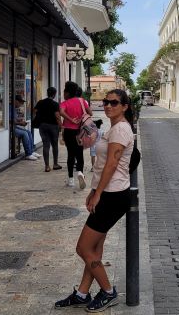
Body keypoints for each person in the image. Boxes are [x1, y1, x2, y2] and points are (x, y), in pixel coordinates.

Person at [55, 89, 134, 312]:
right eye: (105, 102)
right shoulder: (115, 127)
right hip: (108, 193)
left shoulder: (120, 130)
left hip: (113, 195)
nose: (108, 106)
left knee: (83, 248)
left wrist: (98, 193)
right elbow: (102, 167)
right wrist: (93, 190)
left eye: (114, 103)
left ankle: (108, 291)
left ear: (125, 106)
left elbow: (110, 165)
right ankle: (82, 293)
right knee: (95, 248)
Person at [60, 81, 93, 189]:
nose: (64, 94)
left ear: (68, 93)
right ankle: (80, 172)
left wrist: (70, 119)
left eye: (65, 92)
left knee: (70, 154)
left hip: (69, 131)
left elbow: (61, 111)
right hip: (81, 131)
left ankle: (70, 180)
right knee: (79, 153)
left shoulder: (65, 103)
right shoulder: (82, 101)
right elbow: (90, 113)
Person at [34, 87, 62, 172]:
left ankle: (47, 166)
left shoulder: (40, 102)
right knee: (54, 145)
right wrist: (61, 125)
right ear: (54, 94)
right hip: (53, 126)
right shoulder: (55, 104)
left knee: (46, 145)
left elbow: (34, 111)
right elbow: (57, 116)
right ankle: (55, 164)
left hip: (43, 126)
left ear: (47, 93)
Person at [13, 95, 41, 161]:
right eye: (21, 102)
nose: (21, 104)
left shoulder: (14, 109)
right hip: (11, 128)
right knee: (24, 133)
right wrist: (20, 123)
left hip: (15, 126)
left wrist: (19, 120)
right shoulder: (10, 108)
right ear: (16, 101)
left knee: (28, 132)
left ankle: (31, 151)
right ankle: (28, 154)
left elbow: (14, 120)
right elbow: (9, 121)